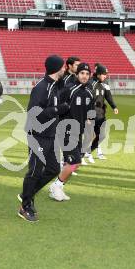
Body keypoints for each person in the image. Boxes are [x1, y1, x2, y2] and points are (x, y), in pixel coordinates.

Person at [17, 55, 69, 222]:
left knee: (53, 169)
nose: (65, 69)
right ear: (56, 68)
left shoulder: (55, 85)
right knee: (34, 171)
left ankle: (27, 194)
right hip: (37, 135)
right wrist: (57, 109)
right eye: (63, 66)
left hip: (50, 135)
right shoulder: (41, 87)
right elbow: (34, 114)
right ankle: (25, 207)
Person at [48, 63, 94, 201]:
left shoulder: (89, 91)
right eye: (82, 73)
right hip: (66, 130)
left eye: (87, 74)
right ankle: (56, 187)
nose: (84, 76)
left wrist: (88, 122)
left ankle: (58, 186)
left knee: (76, 162)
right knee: (74, 162)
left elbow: (89, 111)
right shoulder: (69, 89)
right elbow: (55, 105)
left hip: (78, 131)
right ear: (77, 74)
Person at [88, 65, 118, 161]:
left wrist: (114, 106)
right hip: (92, 112)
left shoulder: (105, 83)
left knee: (101, 135)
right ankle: (83, 154)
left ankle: (88, 152)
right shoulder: (91, 83)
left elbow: (108, 96)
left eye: (106, 74)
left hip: (101, 113)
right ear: (98, 74)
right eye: (104, 74)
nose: (106, 76)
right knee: (90, 135)